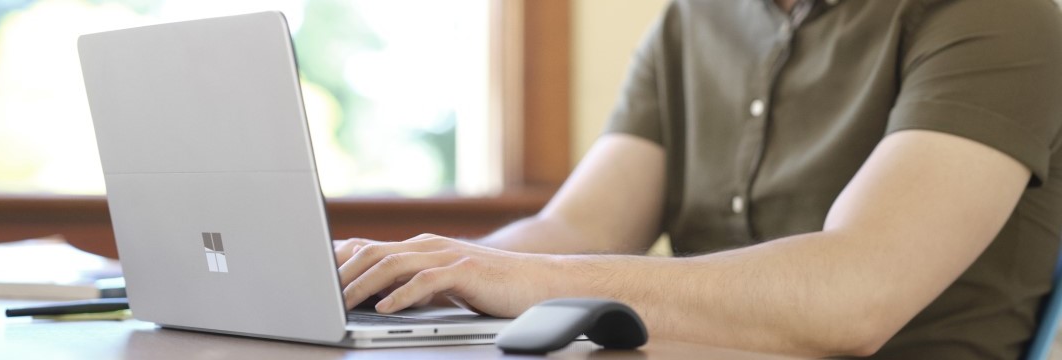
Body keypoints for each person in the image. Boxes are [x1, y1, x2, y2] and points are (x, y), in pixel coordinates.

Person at [334, 0, 1062, 358]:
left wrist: (539, 277)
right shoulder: (695, 16)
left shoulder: (997, 15)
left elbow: (856, 294)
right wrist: (429, 283)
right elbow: (576, 227)